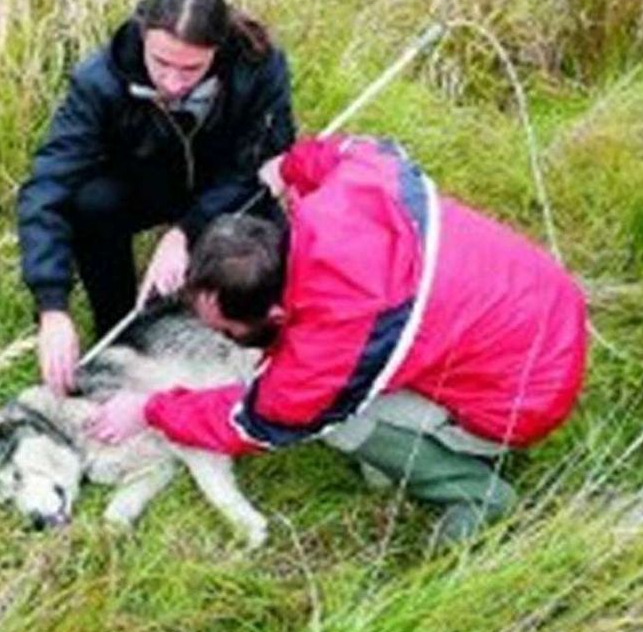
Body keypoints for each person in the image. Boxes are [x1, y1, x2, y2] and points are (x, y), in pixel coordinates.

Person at [87, 134, 588, 543]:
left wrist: (150, 410)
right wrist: (286, 168)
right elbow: (352, 151)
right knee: (369, 379)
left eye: (228, 332)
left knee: (335, 420)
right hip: (544, 304)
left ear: (278, 312)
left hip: (522, 400)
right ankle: (415, 442)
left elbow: (259, 422)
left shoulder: (330, 346)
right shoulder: (350, 192)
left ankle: (474, 491)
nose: (220, 337)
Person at [17, 0, 295, 394]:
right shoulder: (99, 79)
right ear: (143, 35)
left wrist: (186, 231)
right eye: (161, 62)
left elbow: (264, 161)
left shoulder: (259, 67)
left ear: (217, 51)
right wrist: (51, 306)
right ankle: (122, 332)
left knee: (267, 252)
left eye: (191, 68)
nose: (172, 82)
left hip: (226, 187)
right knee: (90, 203)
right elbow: (47, 184)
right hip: (147, 181)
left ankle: (259, 351)